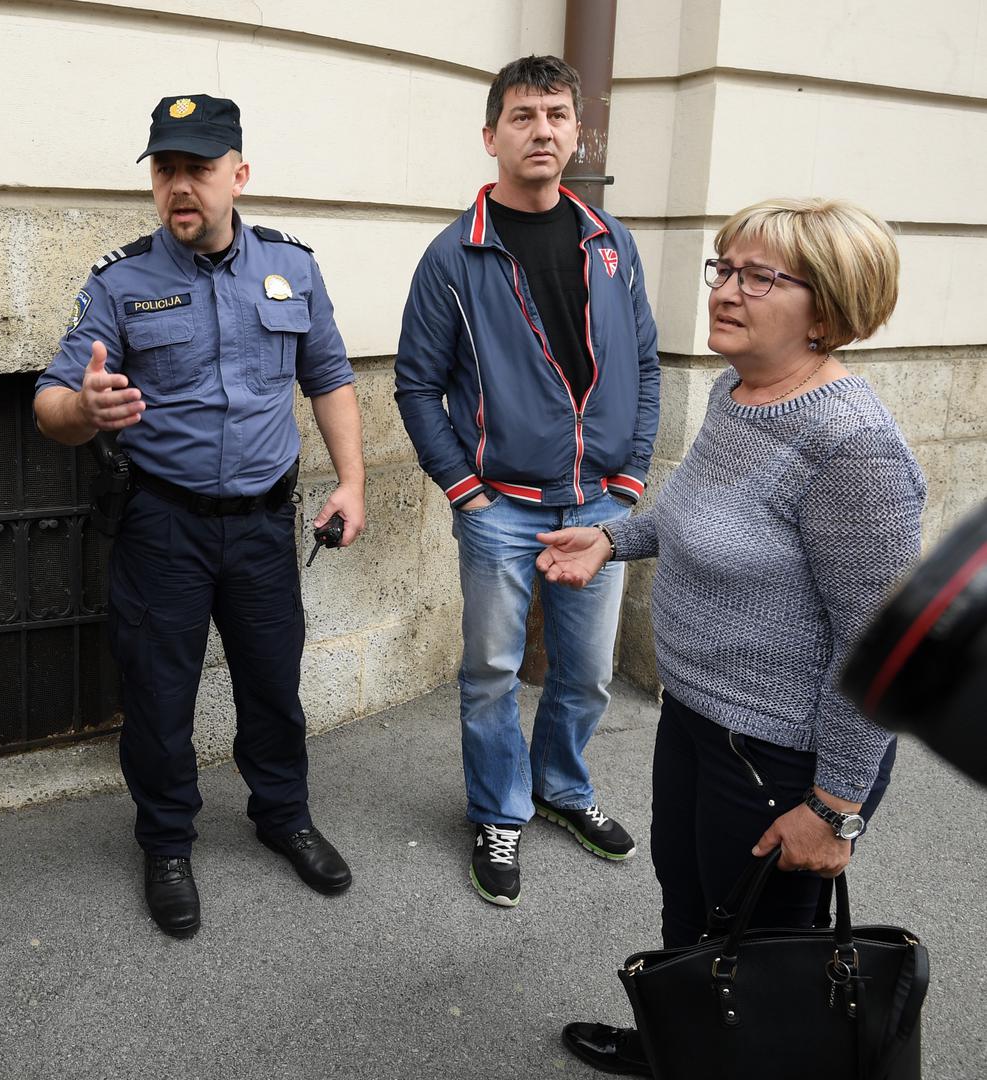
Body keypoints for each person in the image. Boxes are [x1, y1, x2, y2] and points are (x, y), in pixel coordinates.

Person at [538, 197, 923, 1076]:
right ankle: (680, 1047)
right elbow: (695, 510)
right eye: (725, 268)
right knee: (690, 911)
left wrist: (834, 810)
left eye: (760, 277)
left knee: (762, 958)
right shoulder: (738, 392)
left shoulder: (852, 447)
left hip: (781, 754)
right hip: (696, 716)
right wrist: (612, 539)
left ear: (825, 309)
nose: (725, 290)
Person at [34, 94, 366, 938]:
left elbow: (328, 376)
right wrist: (84, 408)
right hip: (163, 527)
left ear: (238, 174)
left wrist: (351, 481)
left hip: (262, 525)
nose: (180, 185)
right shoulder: (119, 282)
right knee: (157, 695)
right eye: (165, 169)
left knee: (272, 683)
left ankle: (283, 815)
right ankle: (166, 842)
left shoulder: (291, 267)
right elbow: (49, 403)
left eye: (199, 168)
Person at [394, 55, 660, 907]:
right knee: (490, 674)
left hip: (598, 504)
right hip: (500, 508)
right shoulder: (453, 254)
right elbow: (415, 385)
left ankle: (562, 788)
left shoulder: (610, 243)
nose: (540, 130)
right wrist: (463, 491)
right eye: (521, 116)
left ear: (576, 131)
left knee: (585, 673)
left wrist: (629, 477)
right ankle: (497, 810)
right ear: (491, 136)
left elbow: (644, 364)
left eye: (555, 115)